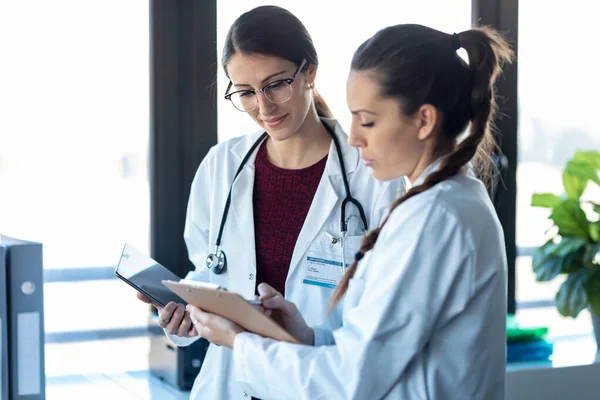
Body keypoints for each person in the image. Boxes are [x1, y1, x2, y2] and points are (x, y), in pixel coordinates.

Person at [186, 23, 514, 399]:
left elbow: (351, 381)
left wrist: (240, 343)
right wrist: (305, 335)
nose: (355, 138)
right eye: (245, 91)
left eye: (368, 120)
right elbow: (378, 350)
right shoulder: (447, 202)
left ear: (424, 120)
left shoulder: (434, 218)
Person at [137, 6, 404, 400]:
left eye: (276, 84)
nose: (263, 107)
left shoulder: (373, 173)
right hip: (229, 386)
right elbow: (210, 275)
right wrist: (184, 317)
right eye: (245, 92)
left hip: (320, 385)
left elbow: (386, 317)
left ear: (309, 72)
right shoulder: (221, 166)